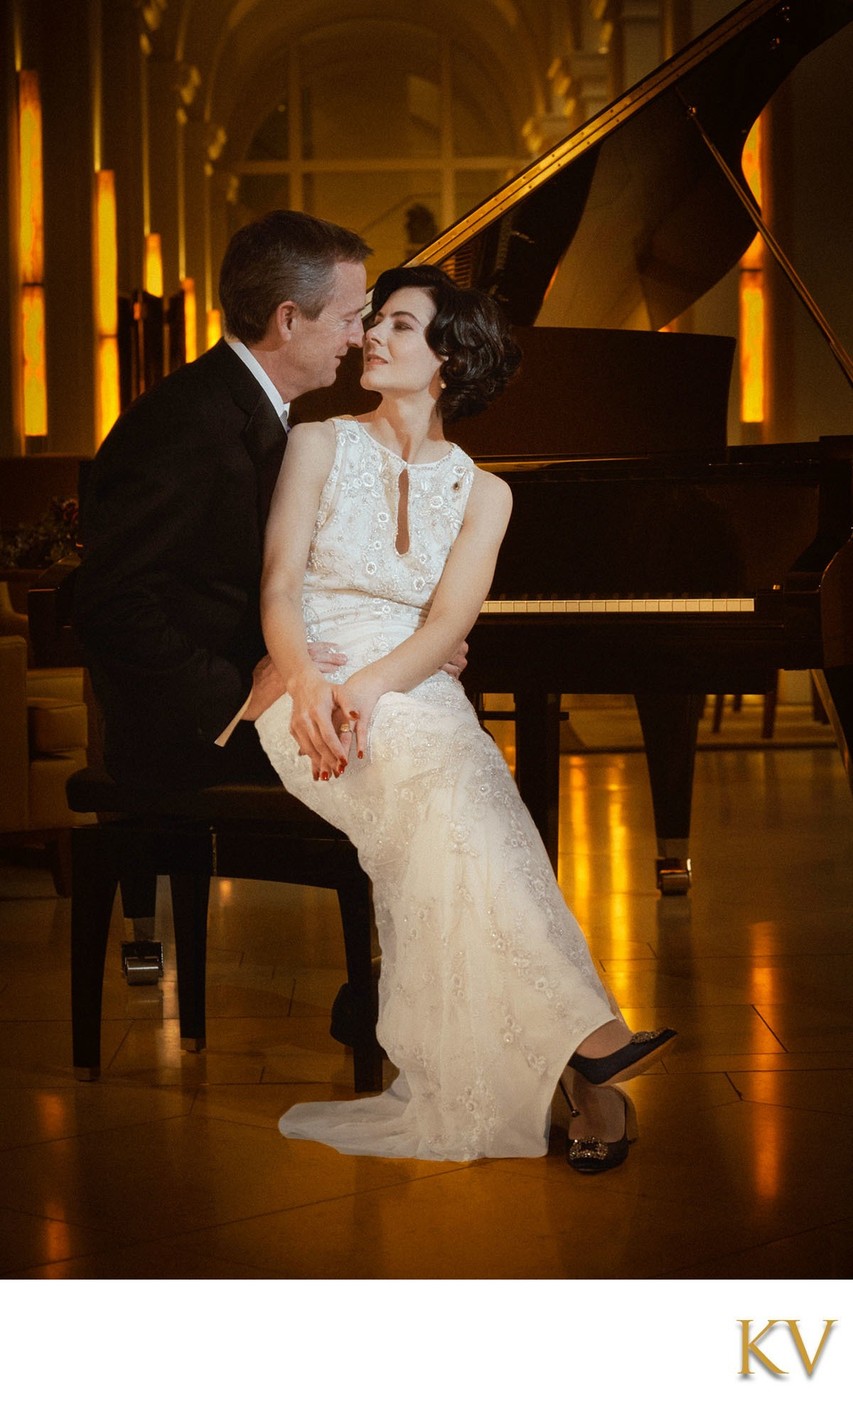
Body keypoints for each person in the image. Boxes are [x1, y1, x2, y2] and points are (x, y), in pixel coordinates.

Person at [256, 264, 676, 1168]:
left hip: (407, 689)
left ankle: (573, 1069)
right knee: (464, 790)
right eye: (375, 322)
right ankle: (590, 1048)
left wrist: (374, 690)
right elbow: (280, 587)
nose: (372, 336)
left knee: (466, 791)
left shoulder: (488, 494)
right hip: (305, 684)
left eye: (399, 326)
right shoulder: (317, 444)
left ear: (449, 358)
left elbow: (448, 625)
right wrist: (313, 686)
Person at [73, 210, 372, 797]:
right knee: (400, 755)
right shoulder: (182, 424)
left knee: (415, 718)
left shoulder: (255, 411)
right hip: (193, 732)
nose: (358, 338)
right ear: (287, 319)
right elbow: (111, 606)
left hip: (255, 700)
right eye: (347, 319)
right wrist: (241, 694)